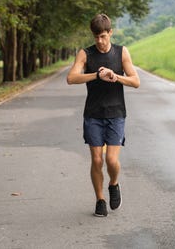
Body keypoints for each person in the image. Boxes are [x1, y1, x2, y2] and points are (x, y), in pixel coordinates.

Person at [66, 13, 140, 217]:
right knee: (97, 160)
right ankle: (100, 200)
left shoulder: (121, 52)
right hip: (93, 114)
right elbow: (71, 78)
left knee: (111, 161)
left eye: (103, 36)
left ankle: (114, 184)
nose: (99, 41)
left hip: (116, 113)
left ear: (110, 33)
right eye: (96, 37)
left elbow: (136, 81)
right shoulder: (86, 54)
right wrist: (96, 75)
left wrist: (116, 77)